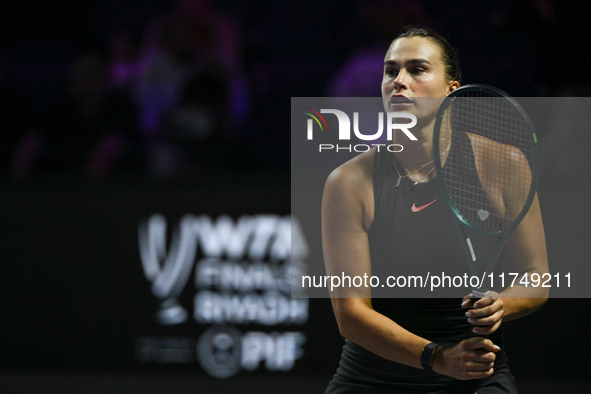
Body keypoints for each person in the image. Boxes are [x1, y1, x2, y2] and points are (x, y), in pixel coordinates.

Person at [322, 26, 549, 393]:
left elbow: (537, 276)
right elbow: (352, 316)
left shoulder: (504, 164)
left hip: (475, 371)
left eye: (417, 69)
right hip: (372, 378)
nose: (399, 81)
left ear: (451, 90)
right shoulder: (348, 182)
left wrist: (502, 305)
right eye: (390, 70)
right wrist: (439, 357)